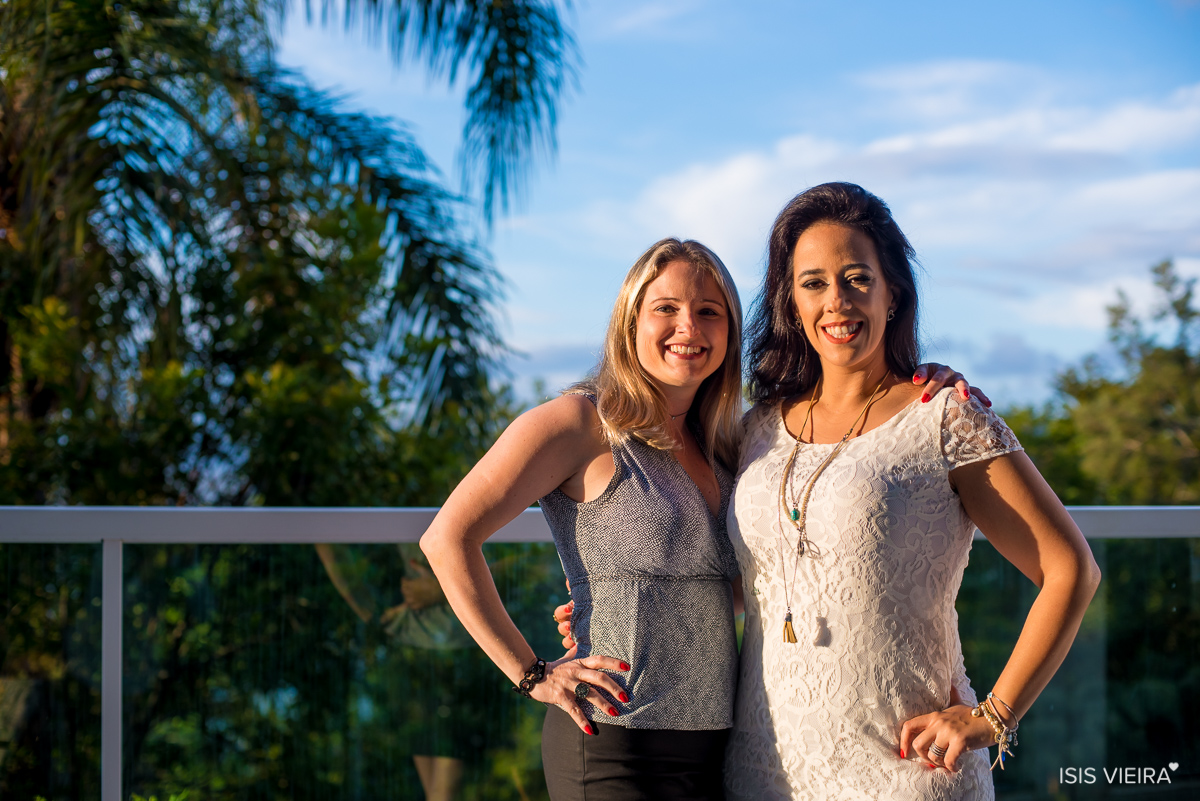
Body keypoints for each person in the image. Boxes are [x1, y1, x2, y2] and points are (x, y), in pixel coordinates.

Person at [423, 235, 975, 801]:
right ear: (630, 321)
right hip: (614, 738)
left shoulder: (729, 445)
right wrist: (533, 673)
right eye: (666, 309)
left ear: (729, 335)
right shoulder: (578, 422)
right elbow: (447, 539)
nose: (688, 327)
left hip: (718, 742)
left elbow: (739, 589)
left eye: (709, 313)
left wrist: (919, 376)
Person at [723, 182, 1101, 800]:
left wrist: (994, 715)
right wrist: (628, 605)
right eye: (813, 282)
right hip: (760, 772)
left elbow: (1071, 570)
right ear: (790, 300)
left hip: (904, 774)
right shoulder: (757, 427)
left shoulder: (945, 416)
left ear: (892, 293)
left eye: (857, 278)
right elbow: (744, 584)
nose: (837, 301)